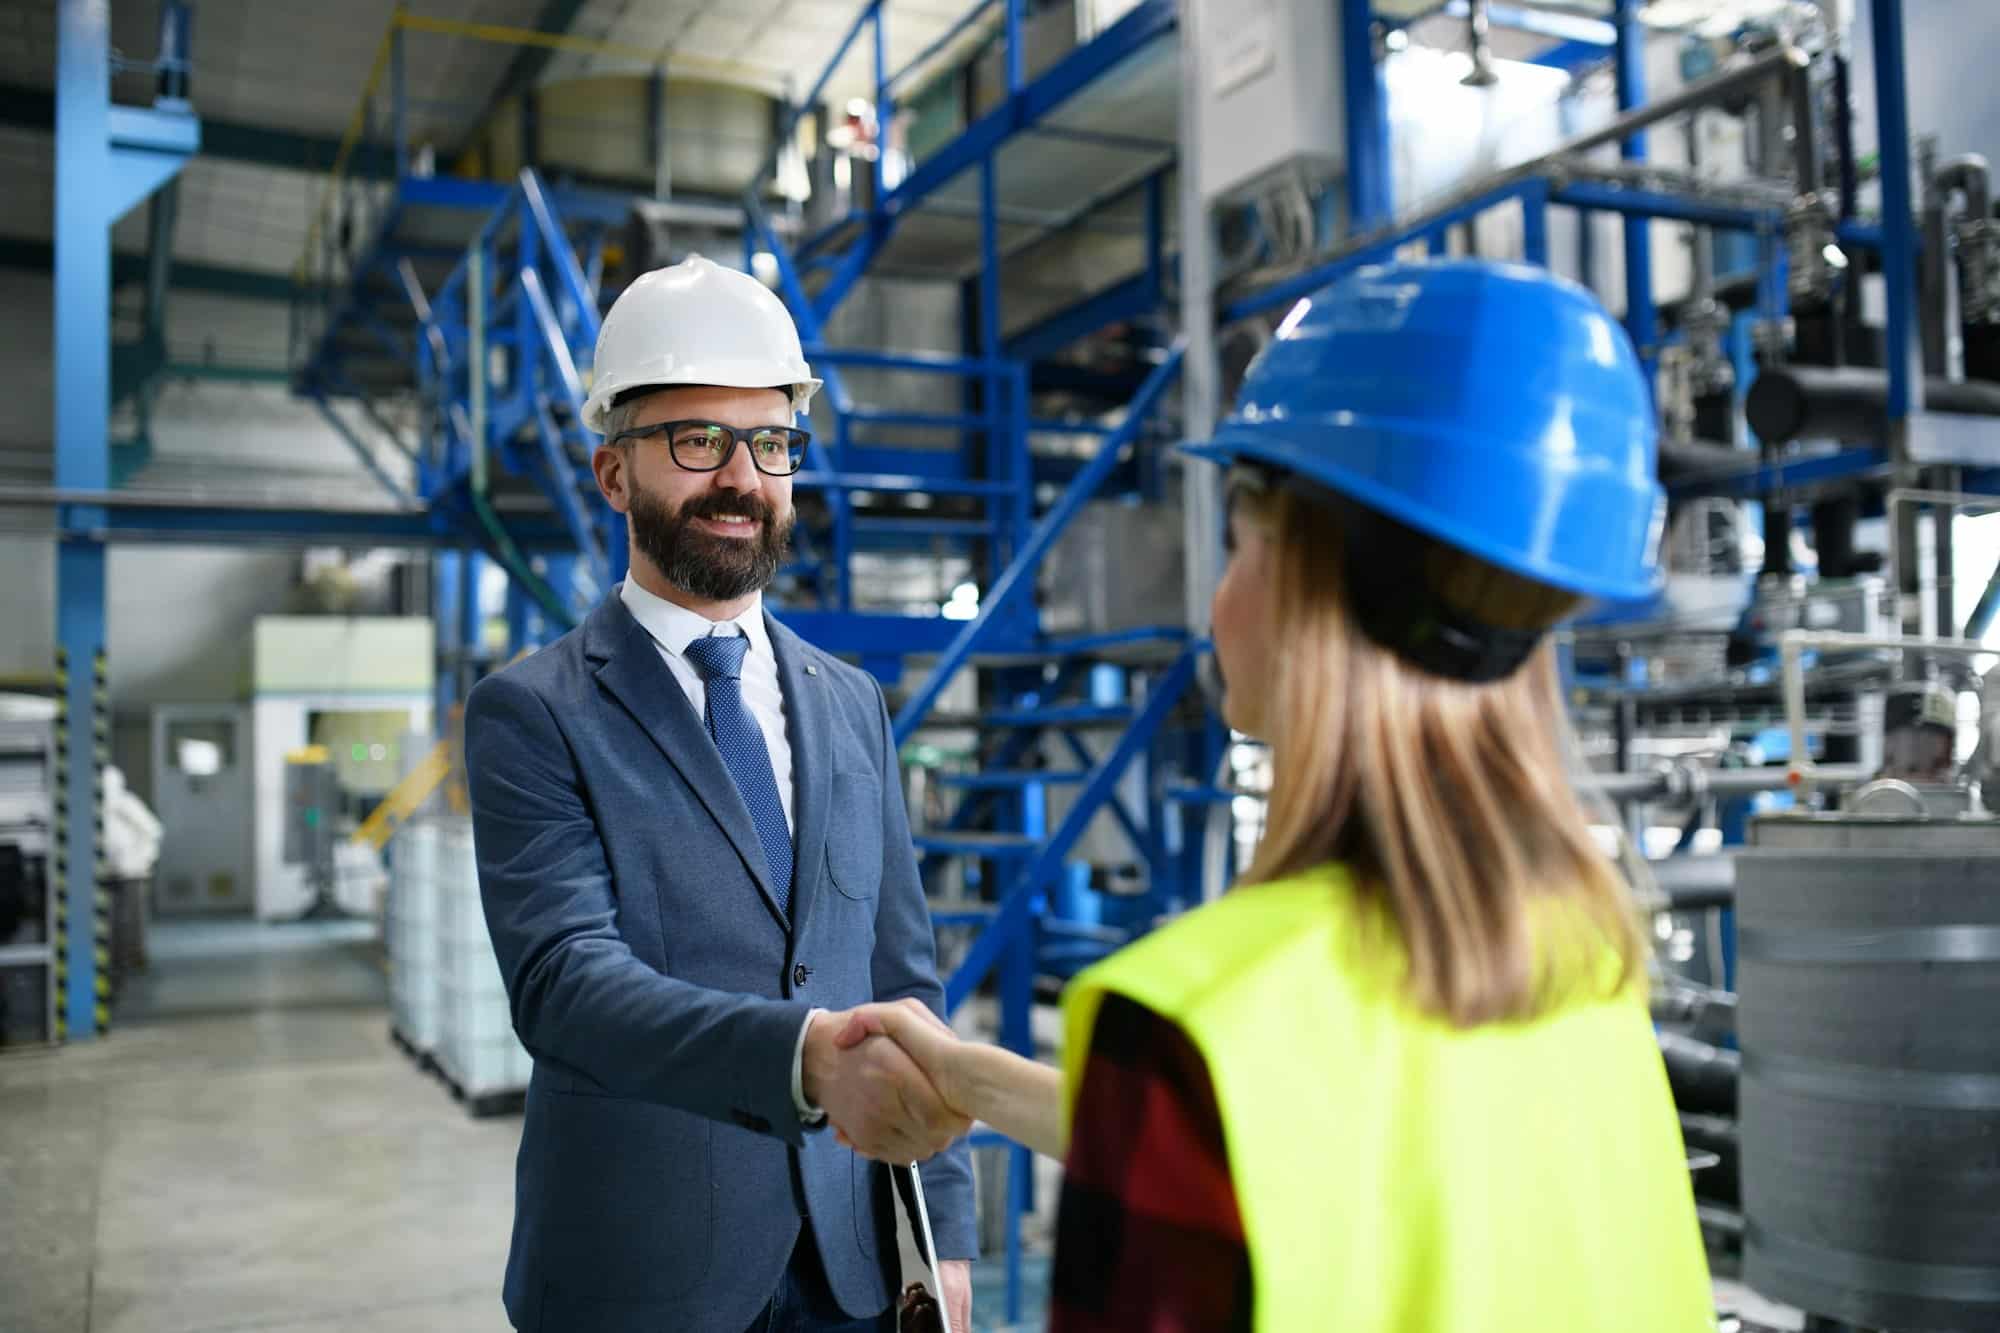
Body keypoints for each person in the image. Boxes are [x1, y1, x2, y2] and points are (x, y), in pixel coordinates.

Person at [834, 260, 1714, 1330]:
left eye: (1240, 539)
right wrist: (975, 1081)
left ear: (1303, 577)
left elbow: (1239, 1126)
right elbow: (1320, 1156)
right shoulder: (1583, 961)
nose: (1220, 591)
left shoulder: (1189, 1022)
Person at [463, 255, 976, 1333]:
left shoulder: (850, 704)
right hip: (642, 1275)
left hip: (849, 1270)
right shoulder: (533, 712)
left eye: (771, 442)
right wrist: (798, 1061)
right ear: (613, 474)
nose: (741, 476)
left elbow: (901, 977)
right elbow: (563, 983)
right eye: (697, 440)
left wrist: (944, 1233)